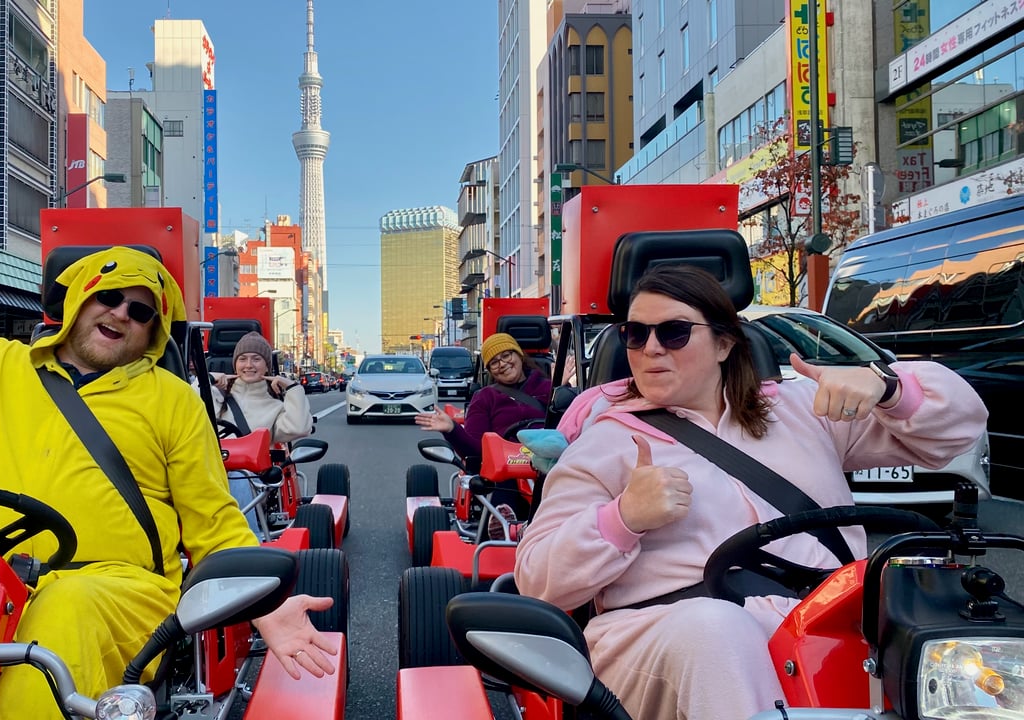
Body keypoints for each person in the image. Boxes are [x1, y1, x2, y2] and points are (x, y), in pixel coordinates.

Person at [0, 106, 335, 719]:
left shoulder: (172, 398)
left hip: (117, 588)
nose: (122, 313)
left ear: (152, 334)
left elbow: (213, 521)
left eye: (141, 311)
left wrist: (268, 608)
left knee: (58, 622)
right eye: (109, 296)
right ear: (78, 301)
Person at [513, 265, 988, 720]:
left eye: (674, 332)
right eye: (636, 334)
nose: (650, 348)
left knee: (963, 642)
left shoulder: (802, 410)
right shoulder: (605, 441)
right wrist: (624, 518)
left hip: (829, 625)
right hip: (662, 636)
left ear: (724, 343)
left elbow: (959, 429)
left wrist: (888, 388)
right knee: (717, 630)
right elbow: (537, 580)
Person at [414, 333, 555, 526]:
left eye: (506, 355)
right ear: (490, 370)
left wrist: (564, 388)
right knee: (503, 477)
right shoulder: (485, 397)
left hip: (548, 459)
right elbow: (474, 450)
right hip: (506, 468)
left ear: (519, 355)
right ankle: (503, 521)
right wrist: (452, 429)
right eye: (494, 362)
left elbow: (571, 425)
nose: (502, 364)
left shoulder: (551, 388)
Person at [209, 331, 313, 532]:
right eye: (243, 359)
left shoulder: (274, 407)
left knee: (238, 478)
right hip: (211, 471)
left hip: (252, 478)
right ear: (235, 364)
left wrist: (293, 388)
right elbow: (185, 412)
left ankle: (248, 541)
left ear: (267, 366)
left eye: (256, 359)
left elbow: (299, 427)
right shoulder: (215, 396)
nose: (248, 365)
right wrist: (207, 381)